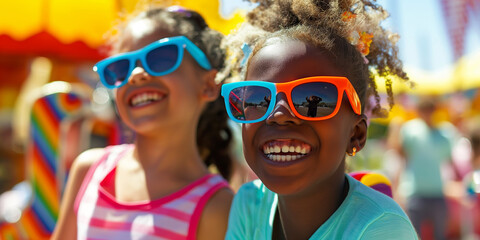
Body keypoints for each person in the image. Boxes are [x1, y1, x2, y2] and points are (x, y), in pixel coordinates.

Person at [218, 0, 418, 239]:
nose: (279, 115)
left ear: (356, 134)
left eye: (312, 98)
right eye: (257, 100)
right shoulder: (250, 203)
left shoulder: (381, 228)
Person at [52, 5, 234, 240]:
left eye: (161, 57)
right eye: (120, 68)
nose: (136, 74)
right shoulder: (89, 170)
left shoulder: (216, 205)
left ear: (209, 85)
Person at [398, 96, 456, 240]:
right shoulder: (410, 130)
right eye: (424, 110)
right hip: (415, 192)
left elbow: (449, 160)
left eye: (430, 110)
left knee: (439, 235)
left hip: (437, 191)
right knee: (413, 235)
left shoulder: (445, 133)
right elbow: (400, 153)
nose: (427, 113)